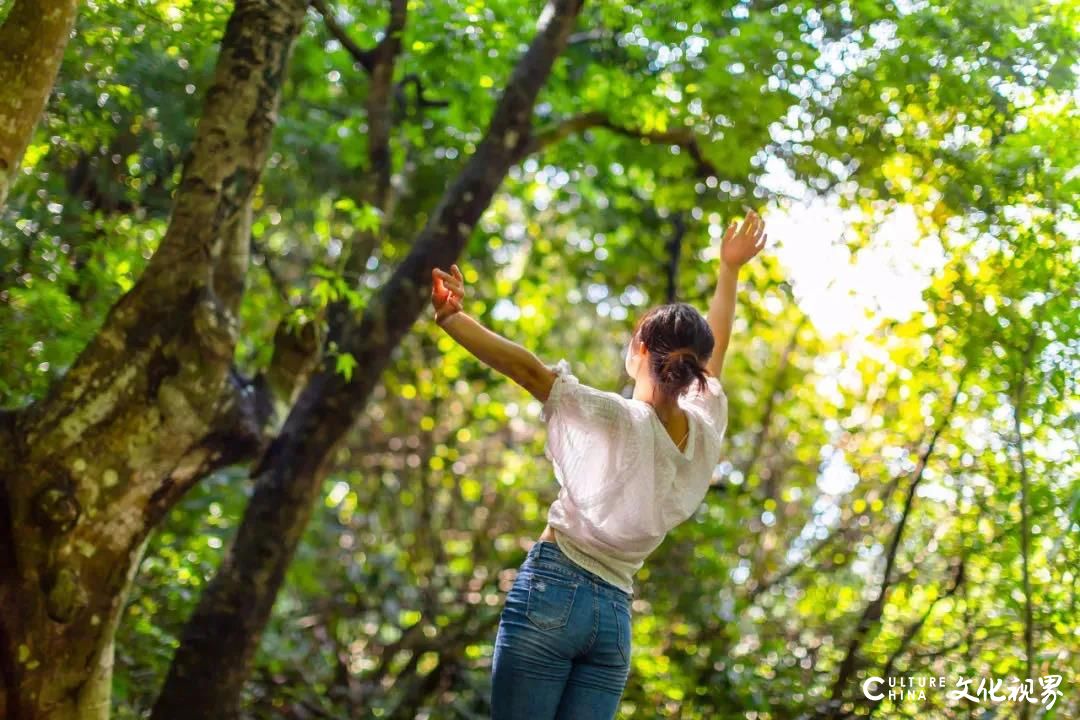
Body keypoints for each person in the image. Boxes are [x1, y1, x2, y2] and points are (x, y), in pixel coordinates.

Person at [430, 210, 768, 719]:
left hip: (553, 589)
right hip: (614, 620)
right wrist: (731, 270)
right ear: (696, 372)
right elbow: (714, 360)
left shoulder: (615, 416)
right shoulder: (703, 427)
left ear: (638, 350)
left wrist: (453, 318)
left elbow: (526, 369)